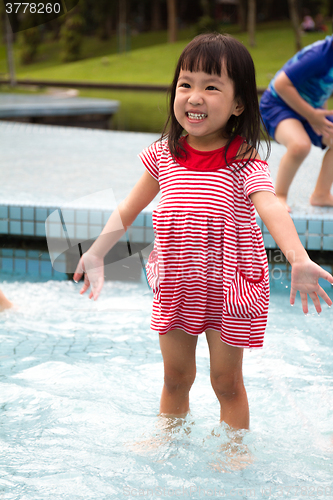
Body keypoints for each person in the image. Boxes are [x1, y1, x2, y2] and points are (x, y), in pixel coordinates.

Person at [74, 33, 333, 431]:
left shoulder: (243, 160)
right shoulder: (164, 154)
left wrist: (299, 257)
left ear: (238, 104)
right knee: (175, 378)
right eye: (186, 84)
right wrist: (94, 252)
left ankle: (234, 450)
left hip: (230, 288)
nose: (195, 96)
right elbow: (129, 209)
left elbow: (271, 208)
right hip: (178, 283)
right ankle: (169, 440)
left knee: (226, 383)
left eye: (212, 87)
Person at [260, 35, 333, 212]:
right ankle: (280, 196)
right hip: (277, 105)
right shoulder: (320, 55)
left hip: (307, 109)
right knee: (299, 145)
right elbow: (281, 84)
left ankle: (321, 194)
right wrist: (312, 114)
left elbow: (320, 89)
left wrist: (318, 115)